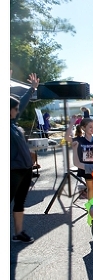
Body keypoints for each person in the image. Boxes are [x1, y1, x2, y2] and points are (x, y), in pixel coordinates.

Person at [11, 76, 38, 244]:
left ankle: (18, 233)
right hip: (13, 170)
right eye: (15, 108)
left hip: (26, 169)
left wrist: (32, 89)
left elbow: (22, 101)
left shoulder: (13, 122)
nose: (18, 110)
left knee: (20, 201)